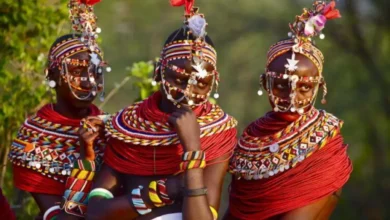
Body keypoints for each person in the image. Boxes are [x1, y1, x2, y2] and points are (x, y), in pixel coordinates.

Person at [84, 1, 237, 219]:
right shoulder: (126, 128)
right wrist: (166, 189)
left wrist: (192, 148)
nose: (188, 93)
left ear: (213, 82)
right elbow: (97, 213)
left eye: (201, 84)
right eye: (180, 80)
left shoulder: (218, 133)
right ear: (158, 73)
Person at [226, 1, 352, 219]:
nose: (292, 97)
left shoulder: (324, 145)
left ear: (319, 87)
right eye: (282, 86)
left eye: (304, 87)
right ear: (265, 83)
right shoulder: (251, 141)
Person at [8, 0, 110, 219]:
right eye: (77, 71)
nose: (88, 81)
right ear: (52, 76)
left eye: (96, 73)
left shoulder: (113, 128)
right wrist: (86, 158)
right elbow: (60, 217)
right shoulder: (32, 139)